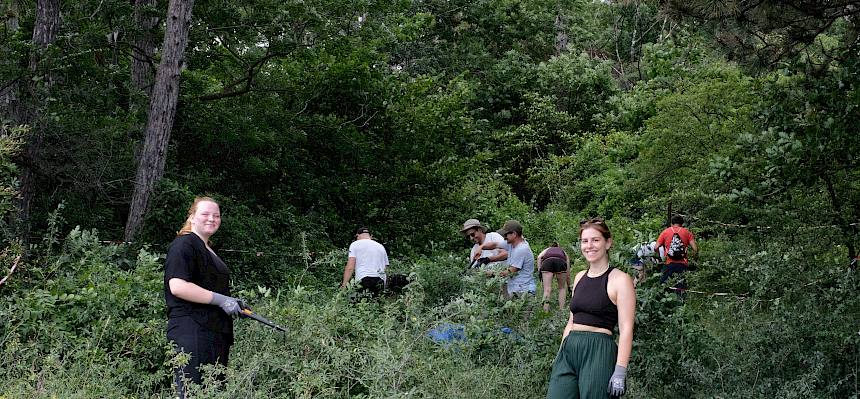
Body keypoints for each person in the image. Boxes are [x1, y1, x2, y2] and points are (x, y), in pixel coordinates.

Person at [546, 218, 635, 399]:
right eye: (585, 241)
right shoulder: (579, 277)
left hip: (599, 350)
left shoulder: (620, 280)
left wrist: (620, 370)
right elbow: (572, 320)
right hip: (570, 349)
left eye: (596, 240)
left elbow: (626, 329)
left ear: (607, 242)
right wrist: (561, 353)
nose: (589, 246)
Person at [164, 197, 240, 398]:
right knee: (192, 393)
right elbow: (178, 286)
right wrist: (221, 300)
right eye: (205, 214)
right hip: (192, 330)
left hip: (213, 332)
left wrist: (233, 302)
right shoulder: (184, 244)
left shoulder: (207, 248)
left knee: (211, 393)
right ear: (192, 217)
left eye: (216, 215)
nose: (211, 219)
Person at [479, 220, 535, 298]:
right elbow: (495, 244)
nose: (504, 237)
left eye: (506, 234)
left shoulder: (521, 249)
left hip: (523, 292)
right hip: (516, 290)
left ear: (514, 234)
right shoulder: (511, 244)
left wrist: (491, 273)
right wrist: (481, 248)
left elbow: (511, 271)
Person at [340, 226, 389, 297]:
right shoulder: (381, 247)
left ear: (357, 236)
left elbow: (350, 267)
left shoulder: (355, 244)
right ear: (370, 236)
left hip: (364, 279)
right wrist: (385, 286)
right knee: (376, 305)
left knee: (361, 305)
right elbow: (386, 268)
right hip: (380, 281)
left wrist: (344, 285)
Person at [655, 215, 698, 288]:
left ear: (671, 223)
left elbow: (656, 247)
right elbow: (695, 249)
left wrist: (660, 257)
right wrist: (694, 260)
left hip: (669, 263)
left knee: (664, 286)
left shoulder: (665, 232)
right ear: (682, 224)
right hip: (683, 264)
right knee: (681, 288)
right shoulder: (687, 232)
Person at [537, 242, 570, 312]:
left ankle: (545, 312)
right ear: (558, 246)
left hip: (547, 263)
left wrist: (539, 271)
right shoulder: (562, 251)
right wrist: (569, 285)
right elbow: (568, 271)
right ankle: (562, 310)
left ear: (550, 246)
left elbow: (539, 257)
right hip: (560, 262)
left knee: (547, 289)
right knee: (562, 288)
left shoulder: (547, 250)